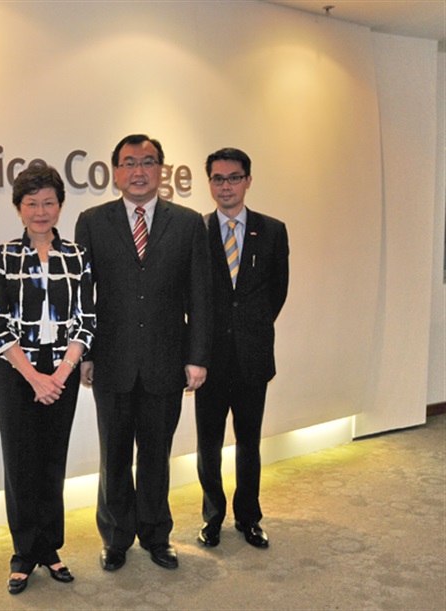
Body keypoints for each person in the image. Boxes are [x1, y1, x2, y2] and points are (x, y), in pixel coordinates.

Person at [74, 134, 211, 572]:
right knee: (113, 456)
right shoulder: (92, 221)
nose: (138, 171)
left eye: (148, 162)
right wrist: (86, 353)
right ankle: (116, 538)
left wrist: (197, 356)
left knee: (156, 454)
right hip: (111, 361)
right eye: (129, 163)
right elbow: (83, 295)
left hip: (166, 361)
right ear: (115, 171)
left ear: (161, 171)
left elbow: (200, 295)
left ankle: (156, 534)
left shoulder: (189, 224)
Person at [0, 165, 95, 594]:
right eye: (31, 203)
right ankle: (23, 554)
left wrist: (62, 373)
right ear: (19, 209)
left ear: (61, 206)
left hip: (62, 371)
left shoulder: (77, 256)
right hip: (18, 372)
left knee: (52, 462)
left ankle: (50, 548)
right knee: (20, 464)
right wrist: (34, 378)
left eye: (49, 202)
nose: (41, 211)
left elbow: (86, 321)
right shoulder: (3, 255)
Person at [195, 148, 289, 549]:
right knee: (208, 445)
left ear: (248, 180)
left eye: (234, 177)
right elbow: (190, 295)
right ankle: (213, 517)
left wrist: (250, 328)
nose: (226, 186)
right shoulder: (194, 230)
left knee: (249, 442)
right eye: (218, 178)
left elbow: (277, 292)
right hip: (208, 361)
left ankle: (248, 517)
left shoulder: (272, 230)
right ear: (210, 183)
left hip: (252, 357)